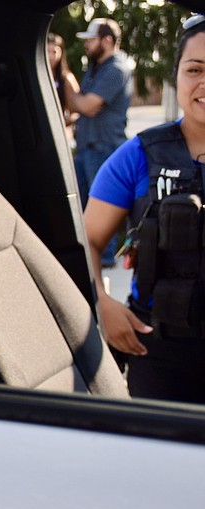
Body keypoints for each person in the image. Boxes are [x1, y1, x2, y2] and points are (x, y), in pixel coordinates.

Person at [83, 14, 205, 403]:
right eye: (194, 69)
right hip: (160, 350)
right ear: (177, 77)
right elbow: (86, 241)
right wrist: (102, 305)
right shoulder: (137, 156)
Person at [64, 18, 133, 267]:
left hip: (103, 148)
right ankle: (87, 258)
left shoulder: (117, 69)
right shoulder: (96, 68)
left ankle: (104, 260)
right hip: (85, 148)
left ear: (107, 40)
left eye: (91, 40)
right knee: (80, 209)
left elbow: (86, 105)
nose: (87, 45)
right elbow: (79, 106)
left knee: (103, 207)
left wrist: (67, 81)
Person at [47, 33, 79, 127]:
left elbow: (76, 111)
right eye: (47, 51)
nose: (50, 56)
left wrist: (61, 124)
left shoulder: (67, 78)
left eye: (54, 52)